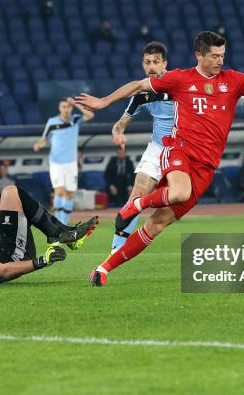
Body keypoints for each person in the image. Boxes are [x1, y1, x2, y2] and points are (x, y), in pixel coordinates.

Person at [76, 31, 244, 286]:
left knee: (156, 225)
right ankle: (136, 204)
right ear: (198, 55)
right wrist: (103, 101)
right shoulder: (180, 78)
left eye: (222, 55)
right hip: (179, 149)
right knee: (178, 193)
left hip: (206, 166)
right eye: (214, 56)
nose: (220, 60)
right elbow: (138, 85)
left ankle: (103, 269)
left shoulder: (234, 80)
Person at [107, 41, 174, 253]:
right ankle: (116, 252)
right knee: (136, 195)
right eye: (147, 62)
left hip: (182, 149)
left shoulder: (179, 85)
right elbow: (120, 124)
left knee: (170, 208)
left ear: (165, 64)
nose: (151, 67)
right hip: (156, 148)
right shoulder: (141, 93)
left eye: (156, 62)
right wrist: (118, 134)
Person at [34, 97, 94, 224]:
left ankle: (64, 223)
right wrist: (39, 144)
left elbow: (90, 115)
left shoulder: (75, 120)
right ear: (59, 108)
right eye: (63, 107)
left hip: (71, 163)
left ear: (71, 108)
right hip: (56, 163)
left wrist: (76, 103)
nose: (66, 109)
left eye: (68, 107)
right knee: (59, 192)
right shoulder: (52, 122)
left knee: (70, 194)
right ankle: (57, 221)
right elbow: (44, 139)